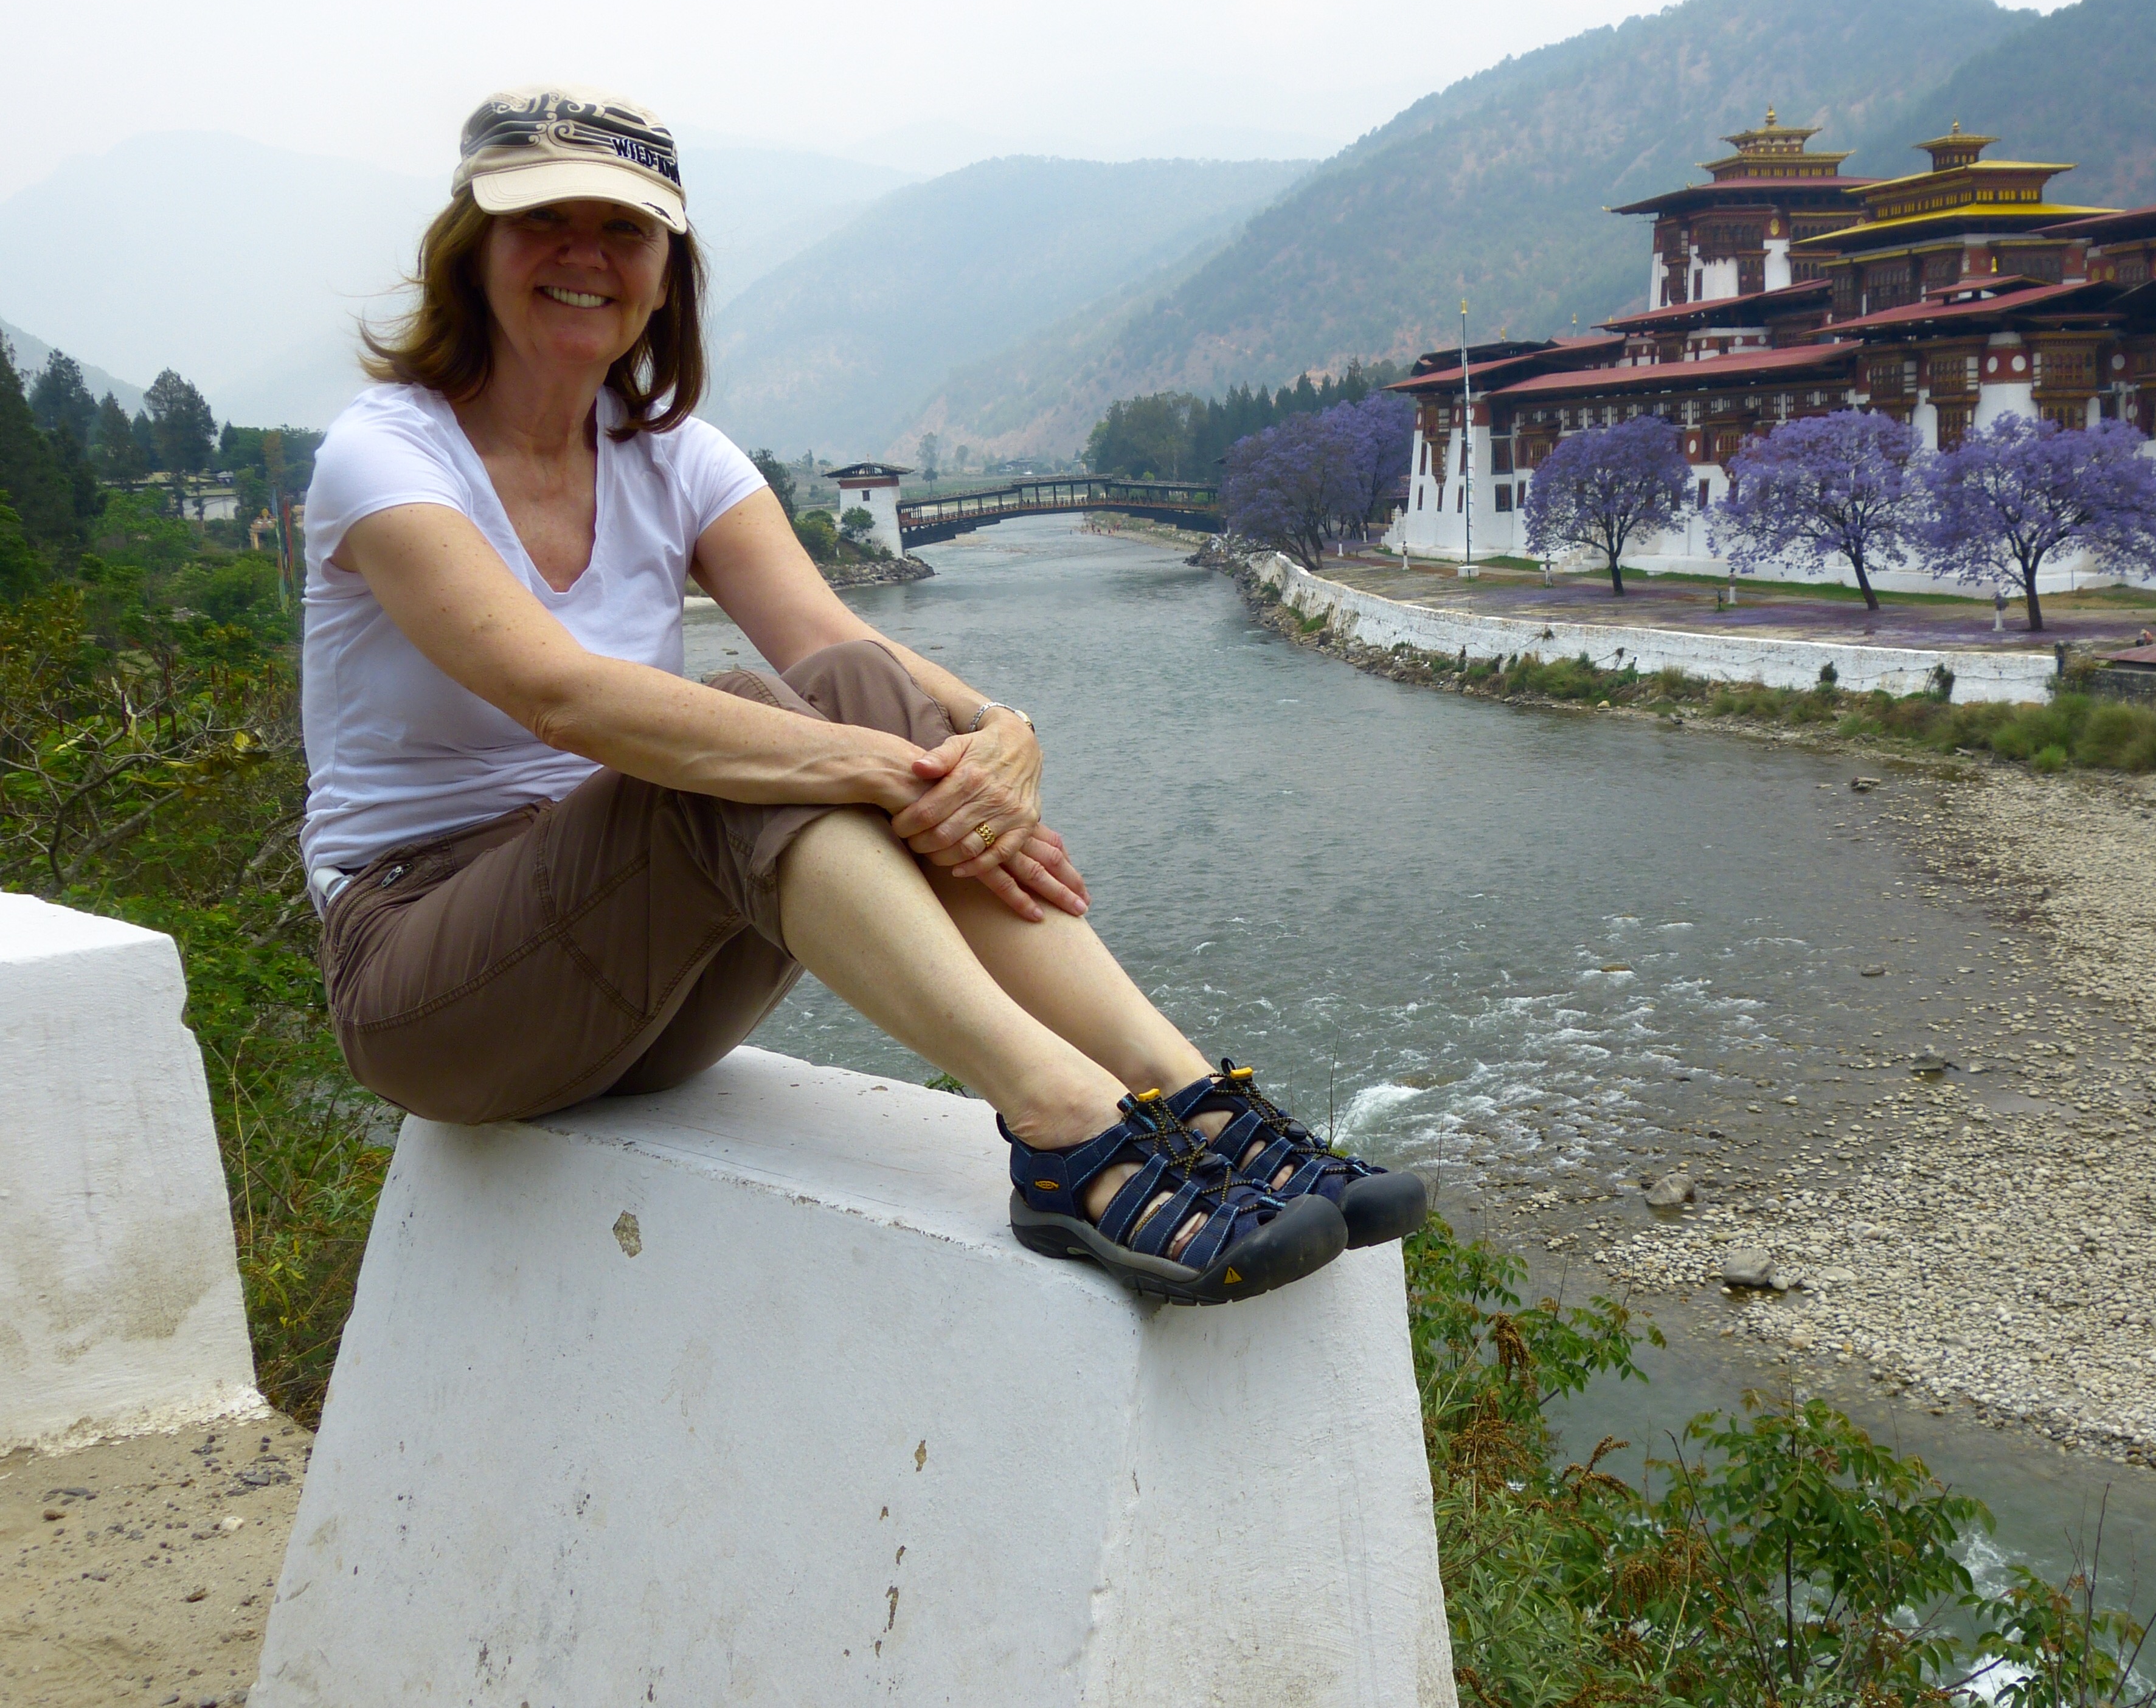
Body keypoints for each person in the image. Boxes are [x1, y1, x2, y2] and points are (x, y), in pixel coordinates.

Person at [299, 88, 1423, 1305]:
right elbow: (559, 697)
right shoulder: (388, 454)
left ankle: (1184, 1092)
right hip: (435, 983)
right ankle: (1062, 1124)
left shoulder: (673, 454)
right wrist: (887, 771)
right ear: (471, 248)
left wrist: (999, 733)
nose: (585, 257)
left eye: (623, 231)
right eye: (543, 223)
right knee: (734, 737)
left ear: (667, 274)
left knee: (846, 685)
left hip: (644, 986)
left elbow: (838, 641)